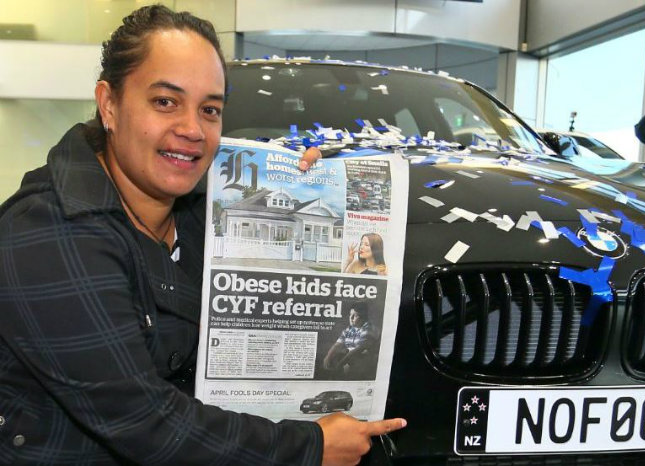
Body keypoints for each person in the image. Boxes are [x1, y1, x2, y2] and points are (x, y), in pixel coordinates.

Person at [0, 5, 404, 465]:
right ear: (109, 104)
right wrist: (310, 446)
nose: (192, 130)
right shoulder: (46, 235)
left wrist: (311, 181)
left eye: (209, 110)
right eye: (165, 102)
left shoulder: (201, 207)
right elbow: (146, 424)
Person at [323, 303, 380, 378]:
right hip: (350, 360)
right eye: (350, 314)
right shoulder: (349, 329)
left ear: (363, 317)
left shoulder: (369, 329)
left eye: (355, 315)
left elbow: (358, 350)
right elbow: (337, 345)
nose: (351, 318)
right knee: (334, 358)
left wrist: (341, 363)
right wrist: (328, 357)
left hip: (364, 361)